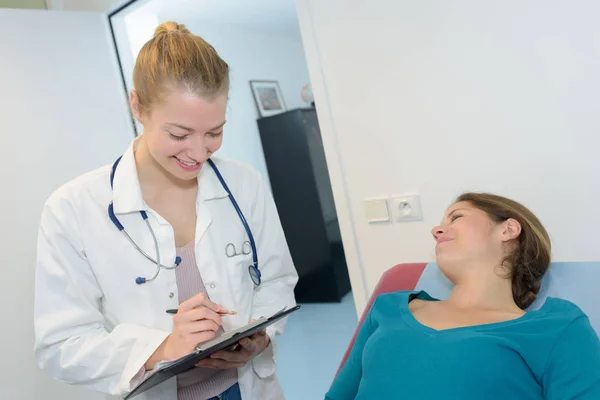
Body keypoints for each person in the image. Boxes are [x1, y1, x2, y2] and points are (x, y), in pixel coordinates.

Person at [33, 21, 298, 400]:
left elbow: (276, 280)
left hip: (249, 387)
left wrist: (260, 336)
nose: (198, 153)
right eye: (178, 135)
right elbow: (60, 344)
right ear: (137, 106)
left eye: (214, 132)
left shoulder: (244, 183)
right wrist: (164, 348)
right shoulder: (72, 209)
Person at [326, 192, 600, 399]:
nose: (436, 230)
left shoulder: (557, 328)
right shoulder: (388, 308)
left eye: (456, 217)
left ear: (508, 229)